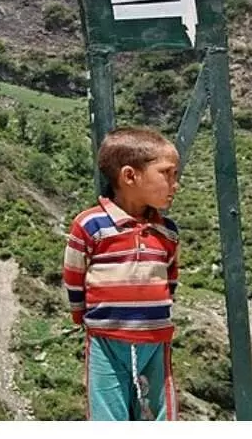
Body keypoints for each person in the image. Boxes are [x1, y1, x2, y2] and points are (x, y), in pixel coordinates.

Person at [62, 126, 181, 420]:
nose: (175, 184)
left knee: (160, 415)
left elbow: (170, 278)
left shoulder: (168, 231)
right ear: (130, 176)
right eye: (167, 174)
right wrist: (81, 316)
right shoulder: (90, 225)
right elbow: (74, 274)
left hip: (155, 341)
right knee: (107, 415)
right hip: (105, 339)